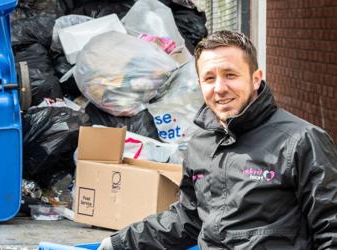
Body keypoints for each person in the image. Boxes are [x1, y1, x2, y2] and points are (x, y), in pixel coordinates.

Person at [98, 30, 337, 250]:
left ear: (256, 78)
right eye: (210, 78)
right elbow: (189, 218)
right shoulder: (201, 143)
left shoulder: (302, 140)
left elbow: (332, 231)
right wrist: (119, 243)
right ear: (200, 84)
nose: (220, 88)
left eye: (230, 75)